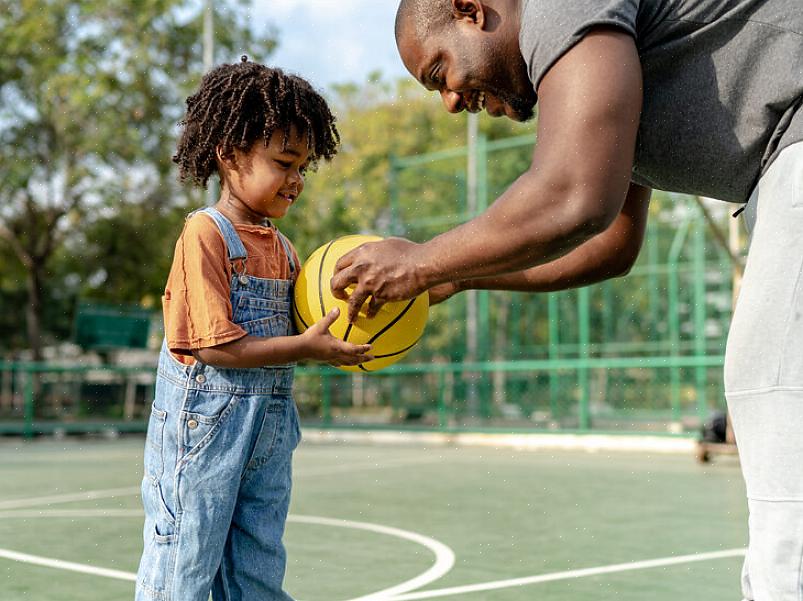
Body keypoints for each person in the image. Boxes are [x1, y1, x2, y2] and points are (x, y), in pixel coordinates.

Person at [330, 1, 803, 599]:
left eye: (438, 72)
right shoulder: (602, 57)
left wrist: (422, 261)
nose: (450, 103)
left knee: (772, 377)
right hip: (780, 164)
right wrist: (453, 276)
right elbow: (609, 243)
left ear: (470, 10)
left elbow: (574, 196)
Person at [136, 57, 372, 601]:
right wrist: (309, 349)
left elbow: (305, 328)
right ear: (229, 155)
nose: (295, 181)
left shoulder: (286, 251)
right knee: (185, 562)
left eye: (303, 169)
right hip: (205, 432)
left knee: (258, 567)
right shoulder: (206, 233)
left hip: (267, 430)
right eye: (284, 162)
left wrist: (350, 317)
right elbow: (218, 347)